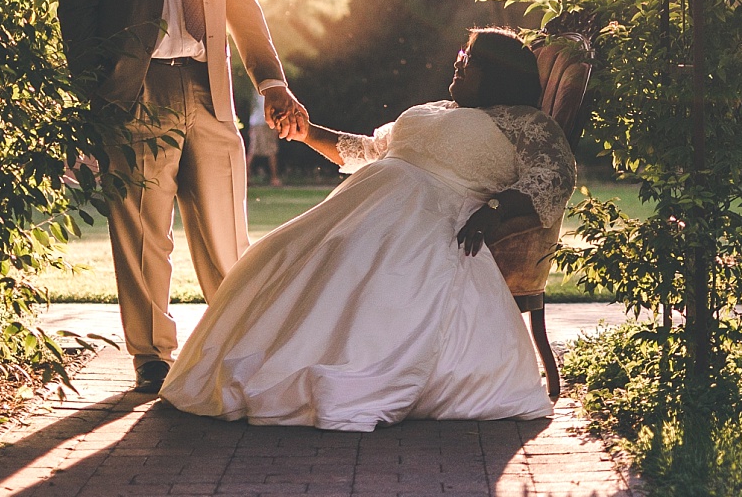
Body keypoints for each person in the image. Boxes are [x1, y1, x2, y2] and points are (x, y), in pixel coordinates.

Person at [160, 28, 575, 430]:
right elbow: (367, 150)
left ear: (496, 74)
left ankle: (333, 373)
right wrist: (306, 133)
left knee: (361, 263)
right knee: (283, 254)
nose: (458, 62)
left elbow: (554, 176)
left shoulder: (526, 125)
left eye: (469, 59)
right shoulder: (438, 111)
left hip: (427, 217)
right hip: (359, 205)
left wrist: (497, 208)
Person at [57, 0, 308, 394]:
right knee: (144, 231)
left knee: (226, 229)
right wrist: (100, 93)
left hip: (208, 86)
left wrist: (272, 80)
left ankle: (235, 344)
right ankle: (151, 356)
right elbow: (77, 13)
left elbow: (241, 3)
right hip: (135, 90)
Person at [246, 91, 282, 187]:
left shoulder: (255, 91)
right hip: (265, 123)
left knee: (253, 151)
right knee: (271, 150)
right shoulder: (267, 90)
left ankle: (245, 178)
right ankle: (274, 178)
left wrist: (251, 125)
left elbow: (253, 108)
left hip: (256, 123)